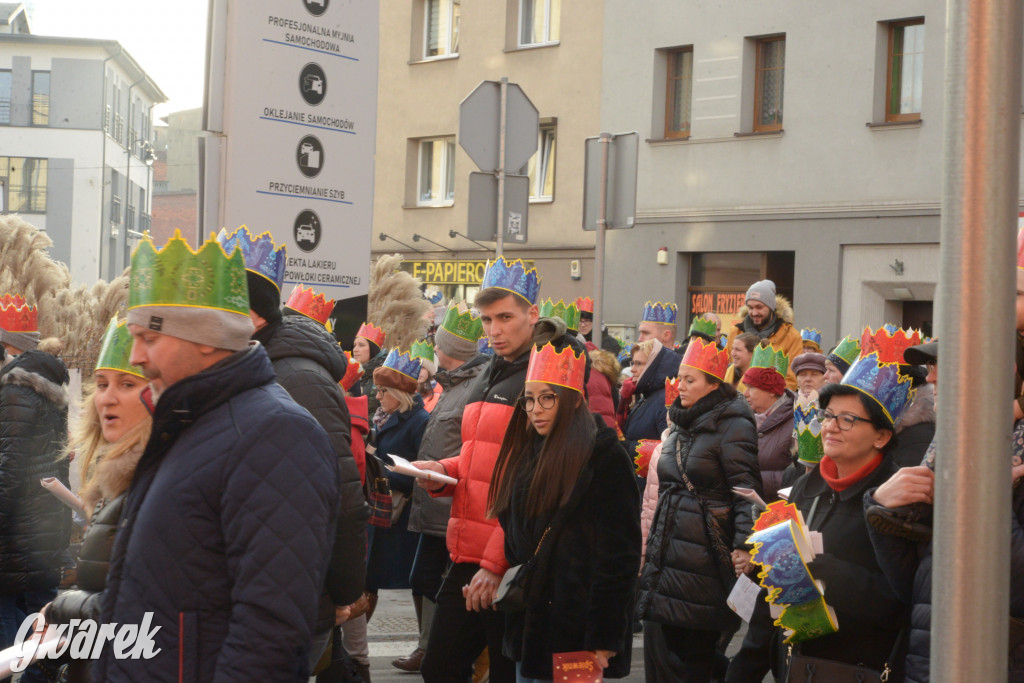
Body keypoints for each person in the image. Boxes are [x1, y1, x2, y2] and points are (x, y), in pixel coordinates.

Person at [95, 232, 340, 681]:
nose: (135, 356)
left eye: (150, 336)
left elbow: (270, 631)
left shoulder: (274, 433)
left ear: (208, 339)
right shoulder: (188, 423)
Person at [218, 228, 368, 672]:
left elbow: (341, 495)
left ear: (252, 315)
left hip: (291, 596)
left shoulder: (298, 379)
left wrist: (342, 593)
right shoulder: (241, 368)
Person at [729, 327, 910, 682]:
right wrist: (744, 669)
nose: (830, 427)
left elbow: (903, 603)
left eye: (848, 419)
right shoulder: (801, 490)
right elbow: (774, 594)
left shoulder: (899, 501)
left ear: (882, 436)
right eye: (828, 415)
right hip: (796, 667)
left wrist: (828, 570)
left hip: (858, 669)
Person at [413, 256, 542, 683]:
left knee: (505, 673)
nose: (494, 330)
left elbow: (536, 482)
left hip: (508, 558)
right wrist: (440, 471)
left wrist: (496, 561)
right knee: (441, 668)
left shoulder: (544, 380)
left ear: (533, 315)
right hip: (467, 548)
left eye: (505, 317)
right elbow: (479, 456)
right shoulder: (489, 371)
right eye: (487, 319)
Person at [490, 340, 641, 681]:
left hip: (577, 634)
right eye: (529, 399)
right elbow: (514, 535)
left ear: (573, 401)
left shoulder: (604, 457)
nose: (536, 408)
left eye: (547, 397)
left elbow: (621, 556)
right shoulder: (528, 451)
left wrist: (603, 637)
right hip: (530, 628)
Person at [636, 338, 761, 683]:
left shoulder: (734, 423)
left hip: (705, 555)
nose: (681, 386)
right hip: (670, 548)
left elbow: (746, 490)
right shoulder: (679, 422)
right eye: (680, 378)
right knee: (675, 647)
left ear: (713, 384)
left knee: (697, 653)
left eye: (691, 380)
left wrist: (744, 543)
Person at [43, 318, 150, 683]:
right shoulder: (115, 476)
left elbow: (138, 610)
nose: (107, 396)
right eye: (102, 384)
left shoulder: (152, 480)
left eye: (127, 384)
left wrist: (62, 607)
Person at [397, 303, 490, 674]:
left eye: (439, 342)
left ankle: (452, 653)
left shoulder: (472, 388)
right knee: (422, 579)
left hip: (453, 507)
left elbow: (471, 449)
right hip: (435, 502)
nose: (434, 347)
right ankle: (432, 647)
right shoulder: (451, 386)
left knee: (441, 587)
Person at [0, 295, 71, 681]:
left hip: (15, 537)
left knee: (12, 646)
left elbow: (9, 468)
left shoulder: (15, 388)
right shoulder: (50, 383)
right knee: (41, 637)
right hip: (43, 532)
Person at [367, 349, 430, 633]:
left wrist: (387, 473)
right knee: (368, 578)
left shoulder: (419, 422)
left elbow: (423, 473)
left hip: (400, 515)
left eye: (382, 391)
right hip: (380, 509)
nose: (377, 396)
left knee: (411, 581)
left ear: (399, 393)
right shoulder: (381, 417)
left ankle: (423, 645)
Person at [725, 280, 802, 390]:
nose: (754, 312)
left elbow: (791, 379)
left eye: (759, 307)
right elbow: (726, 368)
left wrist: (765, 395)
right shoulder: (735, 332)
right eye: (750, 308)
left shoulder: (791, 336)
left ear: (771, 307)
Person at [742, 344, 796, 502]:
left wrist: (754, 480)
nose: (745, 394)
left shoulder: (795, 422)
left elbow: (799, 475)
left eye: (751, 387)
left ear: (772, 390)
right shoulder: (745, 417)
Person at [621, 338, 680, 478]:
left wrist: (626, 447)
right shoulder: (647, 395)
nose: (632, 369)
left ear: (654, 366)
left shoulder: (665, 400)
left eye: (639, 364)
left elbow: (668, 449)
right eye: (632, 363)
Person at [354, 320, 386, 415]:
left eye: (361, 345)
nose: (355, 350)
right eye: (354, 345)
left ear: (372, 349)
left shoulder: (383, 375)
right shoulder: (354, 374)